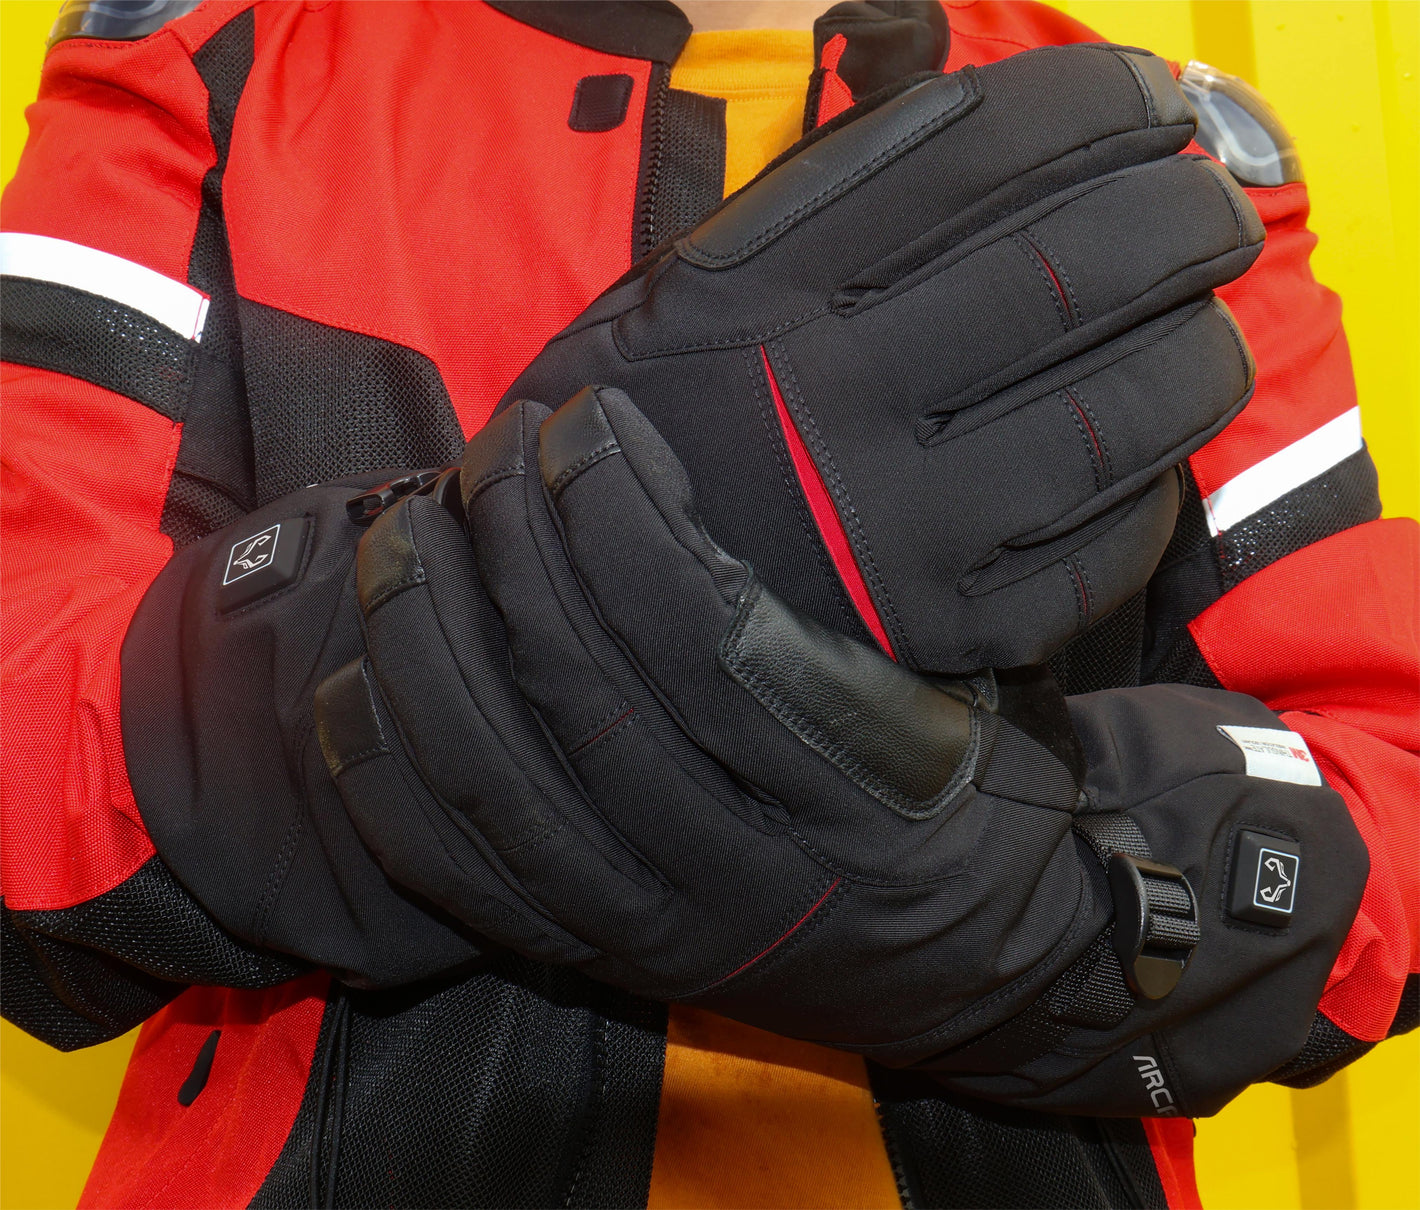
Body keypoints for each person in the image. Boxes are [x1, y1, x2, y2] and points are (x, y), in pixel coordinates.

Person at [1, 3, 1414, 1208]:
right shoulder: (224, 65)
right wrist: (456, 677)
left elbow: (1384, 791)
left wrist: (1026, 905)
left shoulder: (1144, 158)